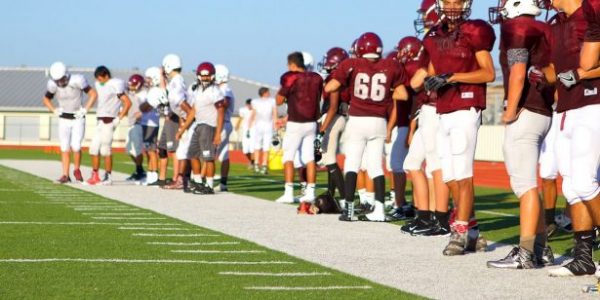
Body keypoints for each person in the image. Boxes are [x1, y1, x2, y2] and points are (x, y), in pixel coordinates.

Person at [421, 0, 496, 255]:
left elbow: (488, 73)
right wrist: (431, 81)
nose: (453, 6)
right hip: (443, 109)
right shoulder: (434, 36)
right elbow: (432, 72)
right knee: (450, 176)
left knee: (463, 173)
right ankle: (473, 231)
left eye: (457, 1)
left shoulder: (474, 31)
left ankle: (460, 231)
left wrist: (452, 77)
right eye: (448, 1)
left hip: (466, 108)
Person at [486, 0, 555, 269]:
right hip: (543, 111)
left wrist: (510, 110)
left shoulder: (518, 27)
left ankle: (525, 253)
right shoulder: (544, 28)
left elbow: (517, 73)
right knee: (528, 185)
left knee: (525, 186)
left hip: (526, 112)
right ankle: (542, 248)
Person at [542, 0, 600, 277]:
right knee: (572, 188)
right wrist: (540, 74)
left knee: (585, 182)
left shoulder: (591, 15)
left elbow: (584, 66)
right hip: (567, 108)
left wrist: (582, 74)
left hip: (593, 104)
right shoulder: (558, 24)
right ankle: (583, 258)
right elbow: (556, 68)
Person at [325, 32, 409, 222]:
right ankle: (379, 209)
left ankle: (348, 209)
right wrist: (386, 92)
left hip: (358, 119)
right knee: (375, 167)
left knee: (352, 164)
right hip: (379, 121)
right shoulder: (391, 65)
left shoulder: (351, 64)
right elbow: (403, 95)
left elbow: (330, 87)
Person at [274, 52, 323, 213]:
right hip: (311, 123)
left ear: (292, 65)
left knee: (288, 157)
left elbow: (279, 100)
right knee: (309, 158)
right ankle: (310, 192)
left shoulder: (291, 77)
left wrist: (281, 94)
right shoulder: (316, 78)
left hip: (295, 122)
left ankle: (288, 192)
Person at [42, 62, 97, 183]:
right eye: (58, 80)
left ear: (66, 74)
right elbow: (46, 99)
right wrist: (54, 110)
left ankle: (76, 169)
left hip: (77, 117)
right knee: (64, 146)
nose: (60, 82)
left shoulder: (77, 80)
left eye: (62, 79)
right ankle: (65, 175)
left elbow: (93, 94)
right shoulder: (52, 84)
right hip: (63, 118)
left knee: (76, 146)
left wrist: (85, 109)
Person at [178, 62, 225, 195]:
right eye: (202, 75)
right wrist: (182, 129)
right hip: (198, 125)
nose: (204, 78)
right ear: (198, 76)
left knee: (208, 157)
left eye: (207, 75)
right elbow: (194, 110)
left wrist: (218, 133)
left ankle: (209, 186)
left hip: (209, 126)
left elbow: (221, 111)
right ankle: (198, 182)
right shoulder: (197, 90)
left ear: (212, 76)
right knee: (192, 155)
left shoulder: (215, 91)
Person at [86, 66, 132, 185]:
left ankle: (108, 176)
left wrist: (119, 118)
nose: (99, 81)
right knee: (93, 148)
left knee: (105, 149)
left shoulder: (115, 84)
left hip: (110, 119)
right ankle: (95, 175)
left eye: (100, 78)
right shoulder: (99, 84)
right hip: (100, 120)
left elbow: (127, 102)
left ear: (106, 75)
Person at [317, 47, 350, 207]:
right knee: (331, 159)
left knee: (328, 159)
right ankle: (331, 194)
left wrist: (322, 128)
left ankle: (344, 200)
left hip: (334, 118)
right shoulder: (345, 76)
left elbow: (332, 106)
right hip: (339, 118)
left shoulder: (336, 77)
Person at [158, 54, 192, 189]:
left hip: (188, 121)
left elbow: (182, 104)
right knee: (184, 152)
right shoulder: (176, 80)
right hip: (185, 120)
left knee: (184, 152)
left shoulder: (176, 82)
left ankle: (185, 180)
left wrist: (187, 121)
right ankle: (184, 179)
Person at [215, 64, 235, 192]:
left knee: (209, 153)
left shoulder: (224, 89)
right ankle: (223, 183)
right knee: (224, 154)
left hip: (222, 123)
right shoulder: (225, 88)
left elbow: (225, 103)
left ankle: (205, 180)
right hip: (225, 123)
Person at [250, 87, 278, 174]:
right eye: (268, 92)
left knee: (266, 146)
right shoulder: (255, 101)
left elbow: (274, 113)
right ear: (265, 92)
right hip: (259, 125)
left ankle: (264, 164)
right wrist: (250, 125)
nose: (269, 93)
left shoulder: (272, 101)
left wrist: (275, 124)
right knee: (257, 145)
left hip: (268, 125)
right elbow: (254, 113)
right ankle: (257, 163)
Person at [124, 74, 147, 182]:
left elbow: (146, 109)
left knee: (137, 150)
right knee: (129, 150)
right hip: (131, 123)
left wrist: (140, 114)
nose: (131, 86)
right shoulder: (131, 94)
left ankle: (139, 171)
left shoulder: (143, 95)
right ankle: (140, 170)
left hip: (138, 124)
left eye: (133, 84)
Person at [237, 98, 255, 167]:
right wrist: (237, 125)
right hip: (245, 130)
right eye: (249, 105)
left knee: (252, 147)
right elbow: (240, 118)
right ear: (246, 105)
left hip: (253, 130)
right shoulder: (243, 110)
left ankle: (253, 163)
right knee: (245, 150)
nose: (250, 106)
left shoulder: (255, 110)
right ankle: (251, 161)